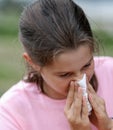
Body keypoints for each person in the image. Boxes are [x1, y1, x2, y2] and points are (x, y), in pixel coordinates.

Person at [0, 0, 113, 130]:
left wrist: (108, 126)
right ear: (33, 62)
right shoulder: (11, 113)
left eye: (87, 65)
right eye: (65, 74)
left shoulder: (110, 72)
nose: (81, 80)